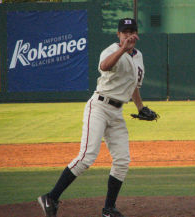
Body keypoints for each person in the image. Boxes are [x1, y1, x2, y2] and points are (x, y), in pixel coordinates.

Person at [38, 18, 145, 217]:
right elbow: (105, 66)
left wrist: (141, 108)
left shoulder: (138, 57)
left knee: (122, 161)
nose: (129, 35)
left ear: (137, 34)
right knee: (87, 156)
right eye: (125, 32)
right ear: (118, 34)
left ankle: (108, 209)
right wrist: (122, 49)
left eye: (132, 31)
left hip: (117, 112)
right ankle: (51, 198)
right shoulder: (111, 50)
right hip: (99, 107)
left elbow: (134, 87)